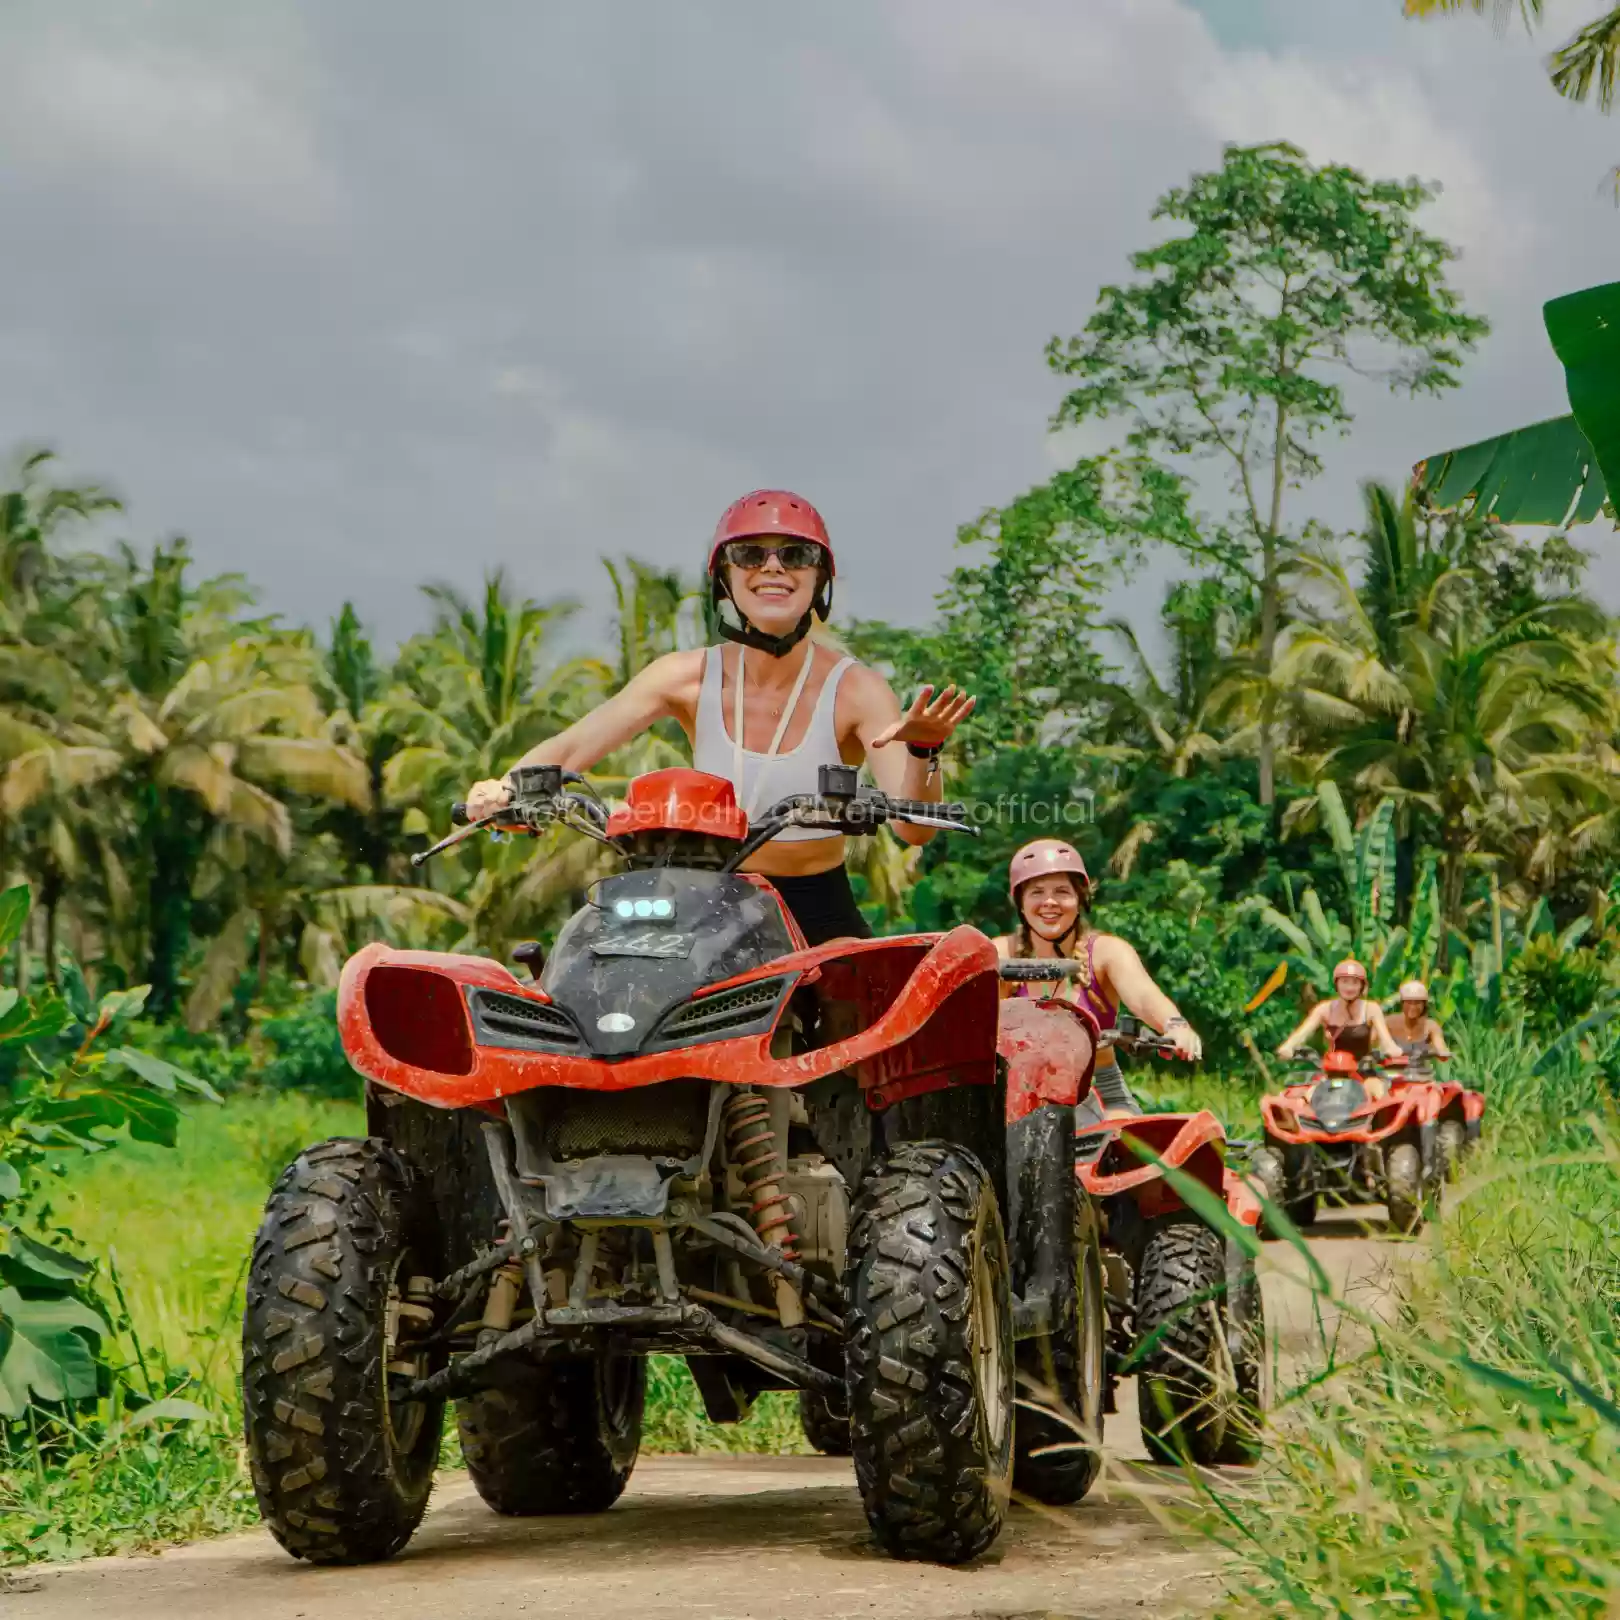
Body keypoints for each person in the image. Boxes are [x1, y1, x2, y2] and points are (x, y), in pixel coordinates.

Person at [462, 489, 974, 947]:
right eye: (749, 554)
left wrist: (925, 751)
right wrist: (505, 788)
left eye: (795, 555)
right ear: (725, 578)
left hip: (816, 907)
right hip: (696, 900)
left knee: (862, 1036)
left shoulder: (857, 689)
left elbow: (913, 831)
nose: (773, 568)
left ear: (820, 579)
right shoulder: (684, 676)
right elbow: (573, 749)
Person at [990, 838, 1203, 1116]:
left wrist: (1175, 1026)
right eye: (1037, 892)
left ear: (1081, 899)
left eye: (1062, 891)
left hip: (1098, 1092)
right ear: (1020, 902)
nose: (1049, 902)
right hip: (1015, 1097)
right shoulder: (998, 954)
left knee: (1120, 1149)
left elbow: (1143, 995)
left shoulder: (1105, 953)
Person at [1276, 958, 1403, 1097]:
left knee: (1380, 1095)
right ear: (1337, 984)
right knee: (1307, 1097)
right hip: (1332, 1073)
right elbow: (1303, 1033)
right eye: (1345, 982)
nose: (1349, 987)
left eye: (1354, 983)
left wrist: (1392, 1049)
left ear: (1362, 986)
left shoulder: (1371, 1009)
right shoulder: (1324, 1009)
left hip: (1364, 1072)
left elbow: (1385, 1039)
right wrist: (1288, 1046)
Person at [1389, 980, 1450, 1075]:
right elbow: (1370, 1042)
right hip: (1392, 1077)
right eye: (1409, 1002)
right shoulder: (1389, 1022)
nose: (1413, 1006)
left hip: (1421, 1077)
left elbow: (1441, 1047)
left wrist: (1441, 1052)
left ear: (1424, 1004)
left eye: (1417, 1002)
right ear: (1402, 1003)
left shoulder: (1431, 1026)